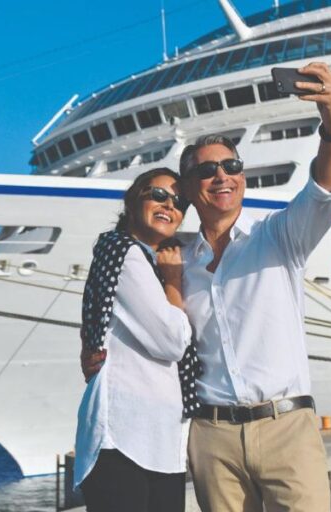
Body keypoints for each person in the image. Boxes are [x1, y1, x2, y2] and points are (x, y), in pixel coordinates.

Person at [178, 61, 331, 512]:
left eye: (231, 165)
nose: (222, 176)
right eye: (209, 171)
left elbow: (323, 189)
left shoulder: (279, 235)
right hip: (213, 436)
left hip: (285, 425)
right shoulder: (178, 262)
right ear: (190, 188)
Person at [73, 168, 201, 512]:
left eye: (179, 201)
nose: (169, 205)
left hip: (154, 439)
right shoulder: (126, 254)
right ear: (132, 203)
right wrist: (174, 280)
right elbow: (171, 342)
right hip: (126, 437)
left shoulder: (139, 258)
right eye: (157, 195)